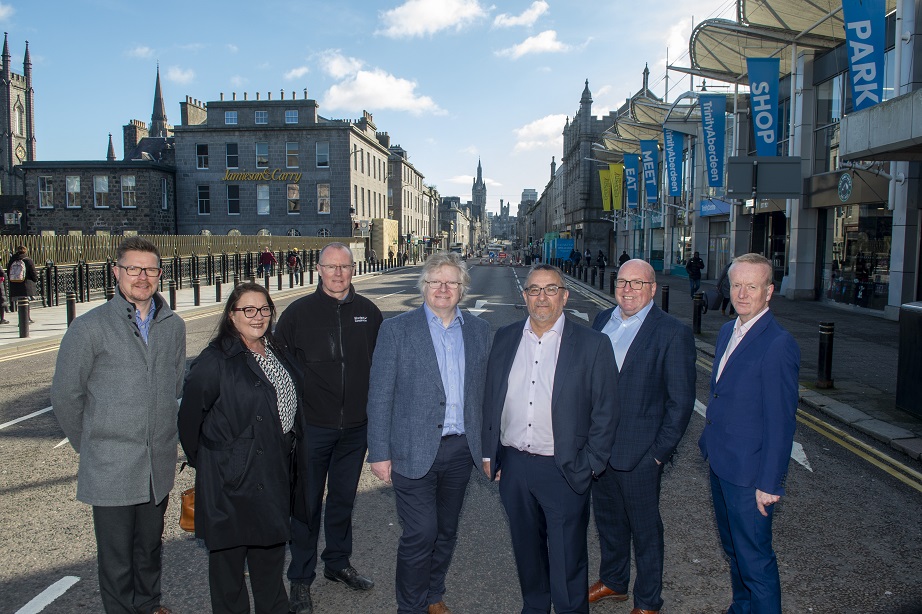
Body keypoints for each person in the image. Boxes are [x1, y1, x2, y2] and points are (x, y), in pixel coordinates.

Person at [51, 237, 186, 614]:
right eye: (133, 269)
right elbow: (65, 397)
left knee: (149, 549)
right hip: (110, 465)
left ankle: (148, 605)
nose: (142, 277)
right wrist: (93, 444)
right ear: (116, 272)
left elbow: (175, 386)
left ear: (160, 274)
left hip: (156, 464)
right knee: (116, 560)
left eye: (150, 269)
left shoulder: (173, 326)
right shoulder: (89, 328)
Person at [482, 264, 619, 614]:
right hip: (514, 466)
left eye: (551, 289)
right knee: (527, 552)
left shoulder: (593, 344)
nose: (542, 297)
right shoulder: (506, 337)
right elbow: (492, 397)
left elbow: (606, 411)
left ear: (564, 295)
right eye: (534, 289)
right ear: (524, 295)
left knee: (567, 558)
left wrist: (590, 464)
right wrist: (491, 453)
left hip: (564, 468)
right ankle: (535, 608)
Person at [367, 252, 491, 614]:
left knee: (447, 530)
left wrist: (489, 448)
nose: (443, 288)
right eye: (436, 281)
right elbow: (379, 394)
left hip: (459, 449)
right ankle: (411, 607)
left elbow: (487, 395)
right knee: (421, 532)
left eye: (451, 282)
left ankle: (433, 592)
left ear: (462, 289)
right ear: (424, 286)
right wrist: (378, 451)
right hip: (411, 447)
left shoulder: (480, 331)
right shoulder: (396, 329)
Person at [275, 242, 383, 614]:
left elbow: (381, 370)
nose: (338, 273)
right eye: (331, 267)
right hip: (312, 429)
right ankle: (301, 579)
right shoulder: (297, 314)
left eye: (345, 267)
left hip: (355, 429)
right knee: (305, 506)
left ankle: (337, 563)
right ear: (318, 269)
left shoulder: (369, 313)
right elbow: (278, 372)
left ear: (354, 269)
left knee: (342, 500)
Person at [178, 282, 300, 613]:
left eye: (264, 309)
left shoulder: (273, 349)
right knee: (228, 579)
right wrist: (215, 464)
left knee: (270, 573)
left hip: (272, 475)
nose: (257, 316)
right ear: (232, 315)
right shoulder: (215, 360)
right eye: (248, 309)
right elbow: (189, 422)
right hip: (229, 485)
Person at [589, 259, 697, 614]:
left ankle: (648, 601)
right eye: (623, 282)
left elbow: (681, 403)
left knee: (646, 531)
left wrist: (657, 455)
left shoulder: (672, 332)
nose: (628, 290)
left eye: (638, 283)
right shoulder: (602, 321)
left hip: (640, 454)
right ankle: (614, 581)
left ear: (652, 289)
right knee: (608, 520)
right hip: (599, 449)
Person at [699, 253, 800, 614]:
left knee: (755, 561)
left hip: (750, 474)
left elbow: (781, 421)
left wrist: (770, 483)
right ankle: (742, 608)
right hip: (721, 461)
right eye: (736, 284)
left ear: (769, 292)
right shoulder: (729, 329)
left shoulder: (778, 344)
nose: (742, 293)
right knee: (733, 551)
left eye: (752, 286)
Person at [7, 245, 38, 319]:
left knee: (20, 303)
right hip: (26, 285)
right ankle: (27, 318)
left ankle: (21, 318)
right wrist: (35, 279)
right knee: (26, 302)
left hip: (15, 284)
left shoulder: (12, 260)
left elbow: (8, 272)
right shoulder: (28, 260)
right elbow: (33, 272)